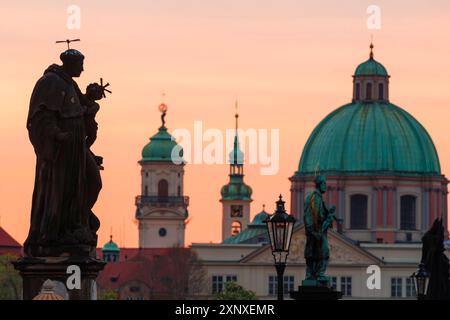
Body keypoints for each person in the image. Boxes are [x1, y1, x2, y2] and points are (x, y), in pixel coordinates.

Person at [25, 48, 104, 257]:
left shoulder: (70, 83)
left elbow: (81, 108)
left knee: (93, 182)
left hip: (77, 146)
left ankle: (78, 221)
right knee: (61, 188)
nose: (83, 68)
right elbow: (41, 116)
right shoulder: (51, 82)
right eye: (80, 64)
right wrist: (57, 135)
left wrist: (92, 98)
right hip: (61, 150)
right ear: (70, 63)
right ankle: (57, 232)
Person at [303, 175, 342, 283]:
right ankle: (316, 273)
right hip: (315, 231)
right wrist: (313, 231)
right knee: (320, 252)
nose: (325, 186)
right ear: (319, 184)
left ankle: (315, 273)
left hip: (319, 230)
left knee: (319, 252)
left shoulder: (317, 197)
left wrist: (329, 217)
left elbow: (320, 214)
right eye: (324, 183)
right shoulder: (313, 197)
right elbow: (310, 215)